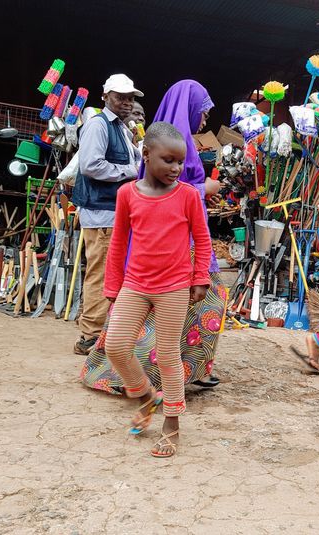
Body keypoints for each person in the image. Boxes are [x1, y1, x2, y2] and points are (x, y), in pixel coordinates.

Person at [81, 79, 225, 393]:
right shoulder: (162, 141)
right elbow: (168, 192)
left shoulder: (175, 140)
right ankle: (142, 380)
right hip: (168, 251)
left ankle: (180, 380)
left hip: (182, 250)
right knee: (165, 320)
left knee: (193, 314)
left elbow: (186, 201)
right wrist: (203, 189)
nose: (204, 120)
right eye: (202, 112)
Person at [103, 121, 211, 458]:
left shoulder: (189, 196)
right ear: (145, 155)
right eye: (168, 160)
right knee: (116, 346)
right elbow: (118, 242)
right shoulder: (126, 194)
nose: (176, 168)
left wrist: (199, 277)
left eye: (180, 162)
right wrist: (112, 285)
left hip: (174, 286)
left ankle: (172, 422)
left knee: (167, 355)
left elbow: (203, 239)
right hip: (135, 284)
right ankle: (147, 398)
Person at [71, 74, 143, 355]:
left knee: (110, 273)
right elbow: (91, 165)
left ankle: (102, 331)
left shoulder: (122, 129)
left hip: (112, 212)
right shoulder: (98, 126)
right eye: (120, 97)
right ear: (106, 97)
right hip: (101, 212)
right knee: (101, 274)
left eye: (130, 98)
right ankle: (90, 335)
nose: (126, 102)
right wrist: (130, 174)